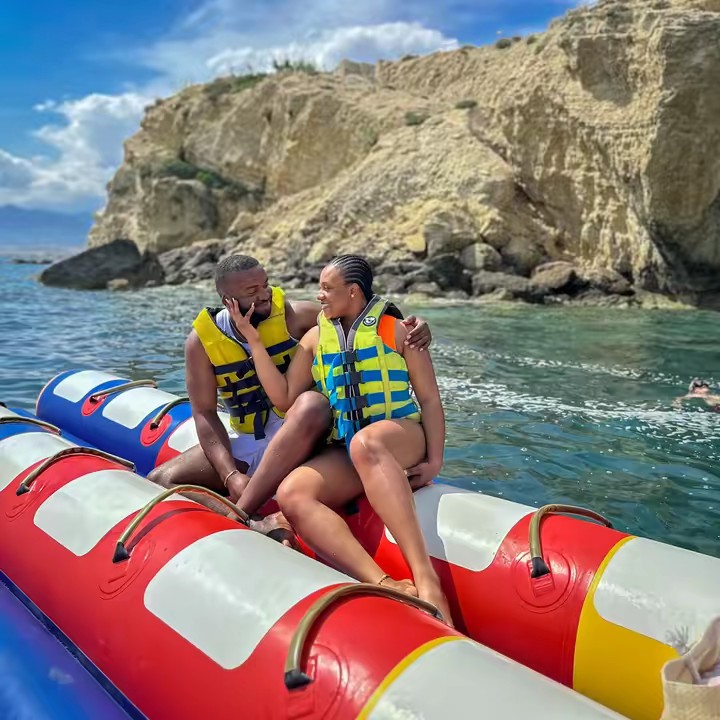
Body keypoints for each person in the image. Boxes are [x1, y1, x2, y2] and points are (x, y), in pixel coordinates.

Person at [227, 254, 453, 625]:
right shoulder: (317, 337)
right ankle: (384, 583)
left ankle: (427, 580)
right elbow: (283, 398)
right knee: (292, 493)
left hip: (402, 436)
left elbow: (429, 399)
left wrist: (435, 460)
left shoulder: (399, 331)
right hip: (352, 447)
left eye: (327, 288)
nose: (319, 295)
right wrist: (253, 341)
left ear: (353, 292)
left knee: (367, 443)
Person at [147, 254, 433, 538]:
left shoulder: (296, 317)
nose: (264, 295)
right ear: (228, 300)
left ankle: (239, 513)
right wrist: (230, 475)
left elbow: (359, 314)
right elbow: (204, 413)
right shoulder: (201, 343)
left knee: (312, 404)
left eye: (265, 284)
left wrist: (414, 324)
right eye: (252, 291)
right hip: (251, 438)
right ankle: (257, 523)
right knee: (159, 480)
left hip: (305, 433)